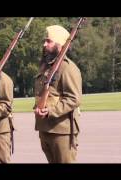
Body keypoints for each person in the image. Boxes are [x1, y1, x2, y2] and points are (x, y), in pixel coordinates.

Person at [34, 25, 82, 163]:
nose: (44, 44)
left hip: (62, 131)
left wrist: (50, 111)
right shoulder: (45, 68)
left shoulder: (68, 68)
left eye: (49, 41)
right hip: (45, 129)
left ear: (60, 44)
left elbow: (74, 98)